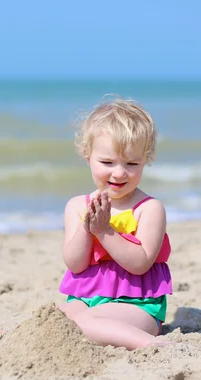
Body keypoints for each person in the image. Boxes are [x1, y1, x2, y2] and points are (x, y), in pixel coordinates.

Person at [58, 96, 173, 349]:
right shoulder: (77, 206)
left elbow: (140, 264)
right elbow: (75, 264)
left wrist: (105, 230)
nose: (119, 172)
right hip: (86, 298)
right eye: (107, 162)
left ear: (146, 159)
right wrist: (88, 227)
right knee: (55, 318)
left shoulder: (149, 209)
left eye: (132, 163)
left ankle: (153, 346)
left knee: (84, 324)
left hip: (137, 306)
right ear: (88, 157)